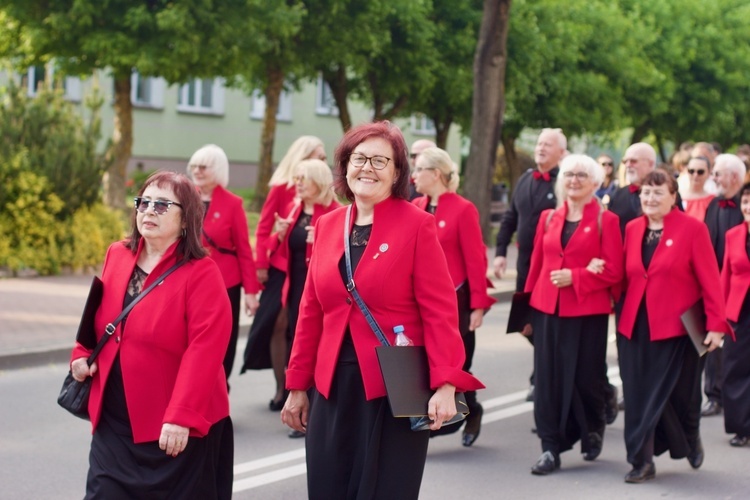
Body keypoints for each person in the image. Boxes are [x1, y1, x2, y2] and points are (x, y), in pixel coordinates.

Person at [281, 121, 483, 499]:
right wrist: (297, 384)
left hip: (393, 385)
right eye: (359, 158)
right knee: (329, 487)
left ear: (397, 172)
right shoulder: (327, 226)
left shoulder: (417, 225)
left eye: (379, 160)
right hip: (332, 386)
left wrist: (445, 383)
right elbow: (311, 312)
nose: (367, 168)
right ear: (344, 166)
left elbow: (439, 312)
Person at [69, 171, 233, 498]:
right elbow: (99, 319)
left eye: (161, 205)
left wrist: (180, 416)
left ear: (186, 220)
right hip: (115, 421)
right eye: (143, 202)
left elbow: (205, 350)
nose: (147, 210)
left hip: (174, 427)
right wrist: (80, 354)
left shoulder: (202, 273)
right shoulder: (118, 254)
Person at [617, 170, 732, 484]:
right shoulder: (632, 227)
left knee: (678, 396)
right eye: (645, 193)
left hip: (676, 329)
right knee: (639, 395)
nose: (650, 199)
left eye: (657, 193)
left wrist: (717, 326)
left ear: (672, 196)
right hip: (634, 326)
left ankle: (690, 435)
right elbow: (625, 277)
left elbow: (711, 281)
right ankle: (641, 460)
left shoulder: (692, 229)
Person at [523, 154, 624, 474]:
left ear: (595, 182)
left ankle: (593, 427)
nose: (574, 180)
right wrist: (525, 311)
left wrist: (577, 276)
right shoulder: (549, 218)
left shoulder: (606, 220)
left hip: (587, 312)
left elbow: (615, 271)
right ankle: (550, 447)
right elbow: (536, 266)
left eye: (582, 175)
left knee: (586, 379)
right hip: (547, 310)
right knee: (548, 381)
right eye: (569, 174)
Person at [411, 146, 496, 447]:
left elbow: (476, 260)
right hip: (419, 301)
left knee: (457, 363)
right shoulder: (415, 205)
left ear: (435, 174)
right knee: (423, 361)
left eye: (418, 169)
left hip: (456, 300)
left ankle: (472, 410)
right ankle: (428, 418)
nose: (413, 175)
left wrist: (478, 306)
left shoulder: (462, 208)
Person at [241, 136, 327, 412]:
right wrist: (261, 269)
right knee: (278, 324)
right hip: (281, 267)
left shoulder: (324, 193)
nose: (322, 162)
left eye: (324, 158)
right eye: (318, 156)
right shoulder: (282, 190)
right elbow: (264, 229)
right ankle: (283, 387)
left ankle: (301, 390)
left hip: (308, 269)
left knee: (301, 326)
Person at [268, 158, 340, 437]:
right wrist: (280, 235)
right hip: (293, 285)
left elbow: (342, 258)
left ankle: (309, 409)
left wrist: (319, 242)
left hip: (318, 290)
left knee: (312, 342)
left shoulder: (334, 212)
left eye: (303, 178)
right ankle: (295, 400)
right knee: (293, 340)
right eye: (296, 177)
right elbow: (275, 250)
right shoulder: (294, 208)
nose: (297, 183)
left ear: (319, 182)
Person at [493, 128, 566, 402]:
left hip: (552, 270)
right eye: (539, 143)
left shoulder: (565, 182)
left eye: (548, 144)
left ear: (561, 151)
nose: (541, 148)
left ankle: (543, 379)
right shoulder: (525, 179)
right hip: (525, 268)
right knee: (526, 324)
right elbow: (511, 217)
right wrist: (500, 252)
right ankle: (545, 374)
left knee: (547, 326)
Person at [187, 144, 260, 384]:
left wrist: (250, 293)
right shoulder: (185, 197)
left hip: (224, 283)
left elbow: (243, 250)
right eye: (194, 165)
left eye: (203, 166)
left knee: (222, 340)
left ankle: (220, 388)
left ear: (217, 169)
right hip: (190, 280)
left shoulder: (232, 203)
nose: (196, 170)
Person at [701, 153, 747, 417]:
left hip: (738, 285)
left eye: (717, 173)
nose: (713, 178)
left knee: (736, 348)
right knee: (713, 340)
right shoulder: (713, 204)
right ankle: (713, 395)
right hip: (713, 281)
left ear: (733, 177)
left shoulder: (745, 203)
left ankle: (732, 398)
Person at [720, 181, 750, 447]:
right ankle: (742, 428)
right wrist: (719, 315)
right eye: (745, 202)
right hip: (739, 309)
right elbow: (726, 276)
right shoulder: (733, 234)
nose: (748, 207)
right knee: (734, 368)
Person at [679, 156, 715, 221]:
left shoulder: (713, 200)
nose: (695, 175)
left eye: (700, 172)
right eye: (691, 171)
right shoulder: (677, 198)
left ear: (709, 173)